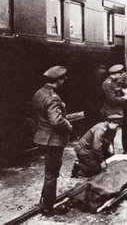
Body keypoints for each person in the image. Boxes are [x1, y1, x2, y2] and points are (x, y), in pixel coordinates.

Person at [32, 66, 72, 216]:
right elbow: (56, 121)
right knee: (52, 174)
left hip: (41, 137)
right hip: (52, 140)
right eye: (62, 80)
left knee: (49, 172)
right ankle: (48, 208)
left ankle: (44, 200)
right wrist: (68, 125)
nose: (63, 82)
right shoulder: (53, 97)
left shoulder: (39, 93)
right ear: (58, 80)